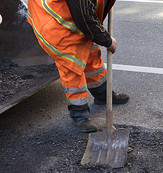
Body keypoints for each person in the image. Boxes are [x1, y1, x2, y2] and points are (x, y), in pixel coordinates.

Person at [27, 0, 129, 133]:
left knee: (91, 53)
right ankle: (79, 114)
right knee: (72, 66)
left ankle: (102, 94)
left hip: (73, 15)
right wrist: (107, 40)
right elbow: (84, 18)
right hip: (54, 22)